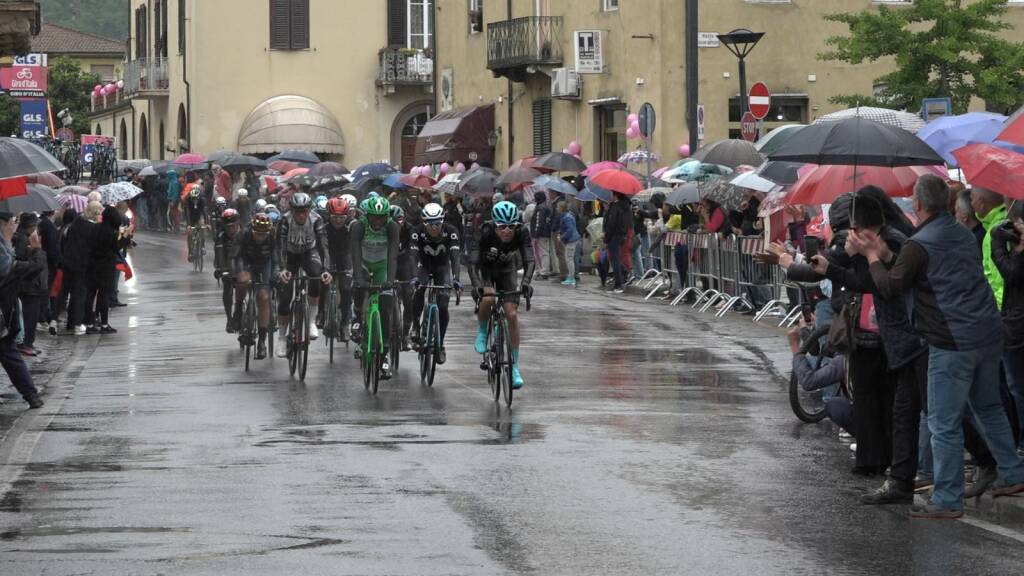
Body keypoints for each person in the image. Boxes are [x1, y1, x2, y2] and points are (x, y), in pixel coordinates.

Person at [853, 174, 1024, 519]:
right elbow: (912, 270)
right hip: (987, 332)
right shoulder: (961, 233)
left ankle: (947, 498)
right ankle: (1015, 473)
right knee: (988, 407)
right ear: (947, 203)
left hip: (951, 339)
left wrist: (872, 255)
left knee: (942, 422)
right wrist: (885, 253)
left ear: (917, 205)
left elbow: (890, 287)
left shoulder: (920, 243)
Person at [474, 201, 535, 389]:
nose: (507, 231)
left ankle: (514, 367)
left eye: (511, 226)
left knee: (512, 315)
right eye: (502, 227)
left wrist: (525, 284)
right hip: (487, 269)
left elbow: (530, 260)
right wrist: (478, 285)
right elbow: (472, 263)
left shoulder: (522, 232)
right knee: (489, 297)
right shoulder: (486, 231)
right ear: (495, 225)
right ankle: (483, 331)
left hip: (508, 269)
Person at [275, 192, 332, 356]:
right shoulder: (285, 220)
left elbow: (323, 246)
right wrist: (282, 269)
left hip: (309, 252)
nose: (301, 215)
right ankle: (281, 338)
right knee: (285, 295)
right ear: (291, 210)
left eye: (304, 211)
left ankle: (312, 321)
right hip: (290, 255)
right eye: (297, 211)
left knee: (315, 276)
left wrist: (326, 269)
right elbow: (280, 246)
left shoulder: (316, 220)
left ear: (309, 210)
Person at [350, 196, 400, 378]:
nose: (378, 221)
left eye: (382, 217)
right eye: (374, 217)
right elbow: (354, 255)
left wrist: (391, 279)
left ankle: (384, 354)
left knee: (386, 309)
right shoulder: (358, 226)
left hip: (382, 265)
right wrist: (358, 278)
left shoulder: (392, 226)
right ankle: (357, 318)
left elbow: (393, 255)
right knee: (357, 287)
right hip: (363, 263)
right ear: (367, 215)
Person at [0, 212, 44, 409]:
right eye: (12, 222)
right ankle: (31, 395)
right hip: (3, 311)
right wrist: (35, 252)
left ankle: (31, 394)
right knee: (9, 353)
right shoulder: (4, 244)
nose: (15, 225)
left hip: (5, 309)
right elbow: (8, 269)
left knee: (9, 353)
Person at [410, 203, 462, 364]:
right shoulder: (417, 231)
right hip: (424, 265)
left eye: (438, 223)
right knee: (419, 289)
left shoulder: (451, 231)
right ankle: (416, 325)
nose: (434, 227)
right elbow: (412, 256)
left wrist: (456, 279)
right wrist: (414, 277)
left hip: (442, 266)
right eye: (430, 224)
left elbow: (455, 257)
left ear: (442, 221)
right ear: (424, 222)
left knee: (443, 304)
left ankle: (440, 344)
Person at [992, 202, 1024, 454]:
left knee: (1017, 388)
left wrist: (998, 246)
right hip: (1014, 323)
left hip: (1017, 326)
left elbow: (1010, 273)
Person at [234, 214, 278, 359]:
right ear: (252, 230)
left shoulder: (272, 235)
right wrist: (241, 272)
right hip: (247, 262)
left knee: (264, 297)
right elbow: (237, 255)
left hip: (265, 264)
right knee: (241, 284)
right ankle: (239, 309)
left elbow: (276, 257)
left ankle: (262, 342)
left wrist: (276, 274)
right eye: (257, 233)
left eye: (263, 234)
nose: (260, 237)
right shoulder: (244, 234)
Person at [12, 214, 47, 356]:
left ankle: (28, 343)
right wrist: (35, 250)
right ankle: (26, 343)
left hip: (30, 285)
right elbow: (28, 263)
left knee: (31, 315)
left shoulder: (23, 238)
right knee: (29, 316)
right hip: (29, 286)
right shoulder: (22, 239)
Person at [86, 206, 122, 334]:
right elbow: (116, 248)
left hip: (92, 265)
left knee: (90, 294)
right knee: (103, 295)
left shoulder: (94, 228)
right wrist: (125, 237)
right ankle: (104, 323)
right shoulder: (111, 232)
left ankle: (89, 323)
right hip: (106, 267)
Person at [971, 187, 1008, 308]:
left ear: (981, 203)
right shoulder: (1002, 222)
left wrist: (994, 309)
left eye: (972, 199)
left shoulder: (996, 231)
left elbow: (1001, 281)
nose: (971, 204)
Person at [214, 208, 244, 333]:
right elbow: (219, 254)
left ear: (238, 223)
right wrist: (221, 270)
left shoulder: (245, 233)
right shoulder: (221, 235)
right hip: (226, 259)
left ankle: (243, 309)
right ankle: (229, 319)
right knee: (227, 283)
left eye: (233, 226)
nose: (230, 229)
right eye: (228, 226)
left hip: (243, 259)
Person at [603, 193, 633, 293]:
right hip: (621, 235)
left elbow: (611, 224)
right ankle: (624, 272)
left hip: (614, 236)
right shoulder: (626, 207)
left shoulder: (616, 207)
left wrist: (606, 239)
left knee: (614, 259)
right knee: (615, 258)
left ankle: (618, 284)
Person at [37, 210, 61, 336]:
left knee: (45, 291)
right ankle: (42, 316)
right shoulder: (48, 225)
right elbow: (52, 247)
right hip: (49, 262)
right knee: (45, 291)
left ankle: (44, 316)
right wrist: (56, 262)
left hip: (47, 261)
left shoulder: (45, 223)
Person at [529, 192, 552, 279]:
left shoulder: (540, 208)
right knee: (543, 253)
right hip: (545, 233)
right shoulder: (545, 206)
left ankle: (543, 272)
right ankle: (543, 271)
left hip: (540, 234)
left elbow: (539, 222)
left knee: (542, 253)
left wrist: (535, 235)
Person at [557, 200, 580, 287]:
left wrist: (562, 237)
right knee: (569, 258)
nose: (556, 209)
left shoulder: (567, 217)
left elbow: (570, 229)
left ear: (561, 208)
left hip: (571, 240)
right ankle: (570, 277)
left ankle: (571, 278)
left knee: (569, 259)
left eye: (558, 207)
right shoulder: (567, 216)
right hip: (571, 239)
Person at [183, 183, 208, 262]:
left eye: (196, 199)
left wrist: (207, 223)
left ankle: (203, 246)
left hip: (198, 215)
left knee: (202, 227)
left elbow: (204, 212)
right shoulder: (187, 200)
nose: (195, 201)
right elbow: (187, 213)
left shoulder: (202, 200)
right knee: (190, 233)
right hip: (191, 216)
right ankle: (190, 252)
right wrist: (189, 225)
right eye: (193, 199)